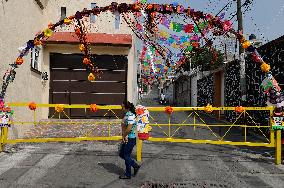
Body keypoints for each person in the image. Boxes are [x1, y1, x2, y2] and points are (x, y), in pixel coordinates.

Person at [119, 101, 140, 179]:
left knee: (126, 155)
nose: (122, 109)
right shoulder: (127, 115)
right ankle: (133, 167)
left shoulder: (130, 116)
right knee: (122, 154)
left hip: (130, 139)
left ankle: (132, 169)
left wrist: (124, 136)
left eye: (122, 107)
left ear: (127, 108)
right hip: (127, 138)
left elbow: (128, 129)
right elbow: (124, 125)